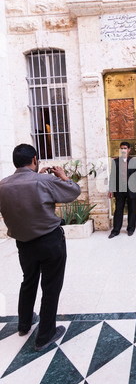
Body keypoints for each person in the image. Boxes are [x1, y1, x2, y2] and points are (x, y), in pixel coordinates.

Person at [0, 144, 81, 351]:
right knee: (51, 287)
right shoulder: (45, 180)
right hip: (49, 241)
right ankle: (45, 335)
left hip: (24, 244)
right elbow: (73, 192)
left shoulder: (3, 185)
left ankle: (24, 324)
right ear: (35, 160)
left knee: (28, 281)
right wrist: (61, 176)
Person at [108, 142, 136, 238]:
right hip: (119, 190)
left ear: (129, 149)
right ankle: (116, 230)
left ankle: (131, 229)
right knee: (118, 210)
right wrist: (111, 189)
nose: (123, 150)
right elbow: (113, 176)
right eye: (122, 148)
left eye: (125, 148)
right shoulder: (115, 162)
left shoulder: (135, 161)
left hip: (132, 189)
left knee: (132, 209)